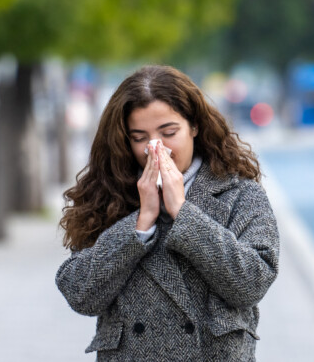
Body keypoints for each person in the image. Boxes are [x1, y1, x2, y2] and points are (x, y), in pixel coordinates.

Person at [56, 65, 279, 361]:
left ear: (195, 127)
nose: (155, 148)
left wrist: (184, 215)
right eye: (139, 137)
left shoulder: (240, 193)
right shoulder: (108, 195)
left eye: (169, 132)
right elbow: (80, 294)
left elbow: (253, 282)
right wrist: (139, 224)